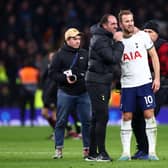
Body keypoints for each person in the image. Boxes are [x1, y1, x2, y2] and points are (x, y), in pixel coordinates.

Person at [118, 10, 160, 161]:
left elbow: (154, 56)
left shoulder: (143, 36)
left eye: (131, 20)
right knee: (127, 116)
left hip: (144, 82)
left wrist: (157, 78)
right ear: (121, 23)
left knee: (149, 114)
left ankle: (152, 152)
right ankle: (125, 153)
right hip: (127, 84)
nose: (130, 23)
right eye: (127, 21)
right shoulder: (117, 40)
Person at [85, 14, 124, 161]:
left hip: (101, 81)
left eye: (116, 23)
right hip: (97, 82)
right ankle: (101, 153)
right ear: (104, 25)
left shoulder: (103, 38)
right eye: (113, 24)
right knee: (102, 117)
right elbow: (112, 58)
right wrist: (119, 43)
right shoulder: (100, 39)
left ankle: (92, 154)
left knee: (97, 118)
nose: (116, 26)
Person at [49, 28, 91, 159]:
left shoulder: (85, 53)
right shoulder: (59, 55)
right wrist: (64, 78)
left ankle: (87, 150)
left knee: (87, 122)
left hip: (83, 93)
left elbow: (91, 70)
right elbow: (52, 74)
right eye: (74, 38)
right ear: (67, 40)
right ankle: (58, 150)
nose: (78, 41)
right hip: (65, 92)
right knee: (61, 121)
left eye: (79, 38)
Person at [131, 20, 168, 159]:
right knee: (135, 117)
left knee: (148, 117)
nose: (146, 34)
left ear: (157, 34)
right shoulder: (138, 46)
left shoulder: (164, 47)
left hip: (159, 86)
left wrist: (154, 75)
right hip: (140, 85)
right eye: (145, 31)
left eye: (150, 32)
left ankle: (146, 150)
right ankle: (142, 148)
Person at [18, 58, 40, 126]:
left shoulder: (21, 71)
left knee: (22, 107)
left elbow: (20, 80)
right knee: (32, 107)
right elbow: (38, 79)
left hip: (23, 91)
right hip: (32, 92)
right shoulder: (35, 71)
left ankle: (22, 121)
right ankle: (32, 121)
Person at [41, 52, 57, 138]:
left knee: (55, 115)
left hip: (54, 94)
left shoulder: (58, 68)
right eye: (50, 57)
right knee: (44, 113)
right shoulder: (48, 67)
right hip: (47, 94)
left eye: (52, 56)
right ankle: (56, 130)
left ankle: (58, 133)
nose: (51, 58)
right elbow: (43, 79)